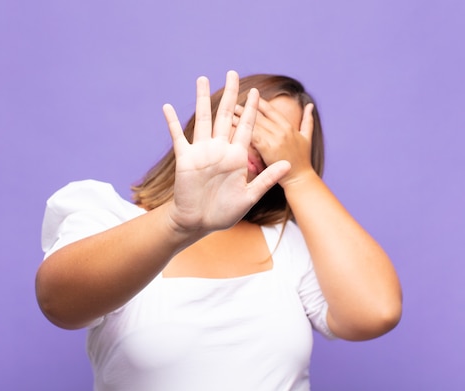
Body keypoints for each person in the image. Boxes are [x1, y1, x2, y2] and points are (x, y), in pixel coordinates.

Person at [36, 70, 402, 390]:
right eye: (256, 120)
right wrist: (179, 221)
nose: (260, 142)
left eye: (281, 139)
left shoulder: (287, 243)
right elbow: (59, 305)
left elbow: (376, 312)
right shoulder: (107, 216)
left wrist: (302, 177)